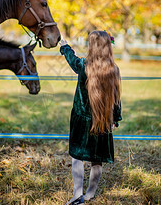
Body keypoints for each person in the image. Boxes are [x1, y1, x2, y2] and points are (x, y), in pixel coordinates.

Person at [60, 30, 122, 205]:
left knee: (77, 157)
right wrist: (115, 118)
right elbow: (117, 98)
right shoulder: (114, 69)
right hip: (103, 120)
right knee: (97, 159)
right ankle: (89, 194)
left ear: (92, 47)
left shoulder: (83, 65)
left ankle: (77, 195)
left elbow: (71, 59)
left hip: (82, 119)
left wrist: (64, 47)